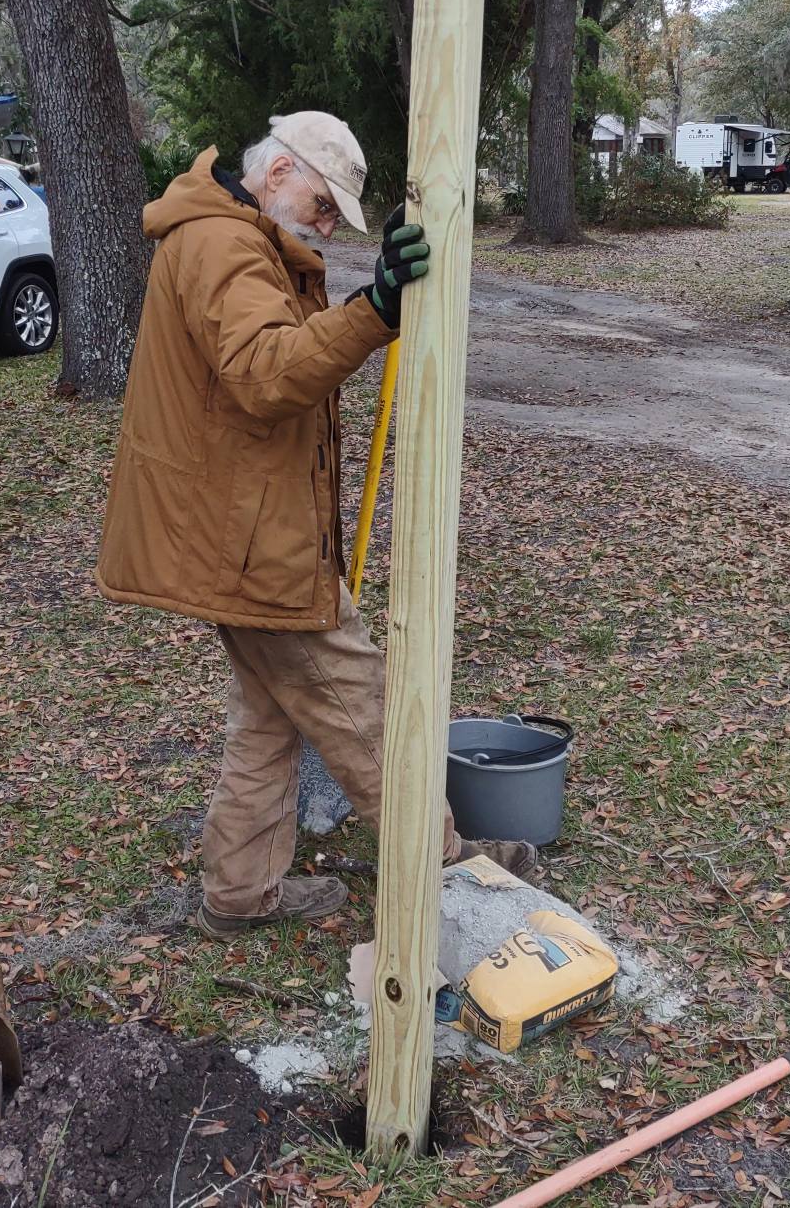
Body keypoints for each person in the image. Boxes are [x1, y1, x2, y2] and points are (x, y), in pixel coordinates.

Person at [97, 112, 540, 936]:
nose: (327, 223)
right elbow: (269, 374)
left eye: (337, 213)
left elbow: (274, 359)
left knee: (268, 719)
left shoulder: (242, 240)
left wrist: (362, 303)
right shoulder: (222, 247)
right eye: (323, 202)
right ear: (275, 176)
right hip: (247, 544)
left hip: (242, 529)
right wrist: (373, 307)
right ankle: (452, 868)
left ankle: (236, 895)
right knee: (362, 703)